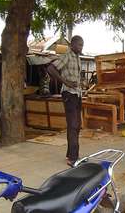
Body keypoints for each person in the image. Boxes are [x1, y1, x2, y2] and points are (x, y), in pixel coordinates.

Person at [47, 35, 84, 166]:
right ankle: (73, 158)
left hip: (77, 94)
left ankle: (72, 154)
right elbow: (51, 68)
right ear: (72, 45)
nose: (81, 47)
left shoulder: (78, 57)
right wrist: (65, 82)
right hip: (69, 94)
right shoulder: (67, 55)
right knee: (73, 125)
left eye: (82, 45)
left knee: (77, 125)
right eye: (79, 45)